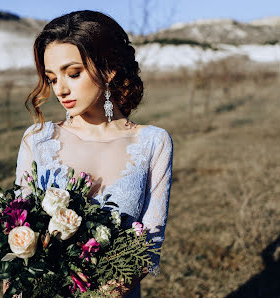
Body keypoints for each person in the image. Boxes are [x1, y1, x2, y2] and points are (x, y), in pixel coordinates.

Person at [13, 10, 173, 297]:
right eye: (51, 78)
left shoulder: (154, 142)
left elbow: (151, 240)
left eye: (73, 74)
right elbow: (17, 225)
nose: (60, 89)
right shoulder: (38, 140)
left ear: (109, 68)